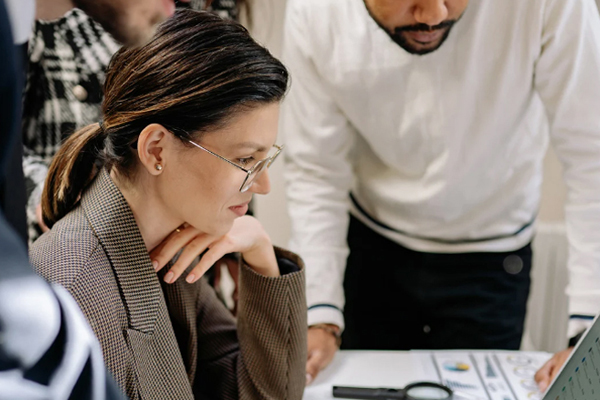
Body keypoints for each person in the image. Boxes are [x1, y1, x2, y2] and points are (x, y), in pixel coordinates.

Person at [281, 0, 600, 383]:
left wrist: (588, 334)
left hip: (492, 252)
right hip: (373, 245)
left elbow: (591, 156)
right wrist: (319, 312)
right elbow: (316, 169)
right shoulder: (315, 12)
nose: (434, 15)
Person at [30, 9, 306, 400]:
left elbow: (259, 394)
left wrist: (262, 258)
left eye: (265, 159)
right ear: (156, 149)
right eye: (245, 159)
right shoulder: (75, 290)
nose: (263, 185)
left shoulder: (168, 244)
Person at [23, 0, 240, 244]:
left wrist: (237, 225)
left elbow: (237, 134)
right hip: (73, 231)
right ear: (154, 148)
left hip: (191, 238)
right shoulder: (45, 14)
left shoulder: (216, 8)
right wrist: (46, 195)